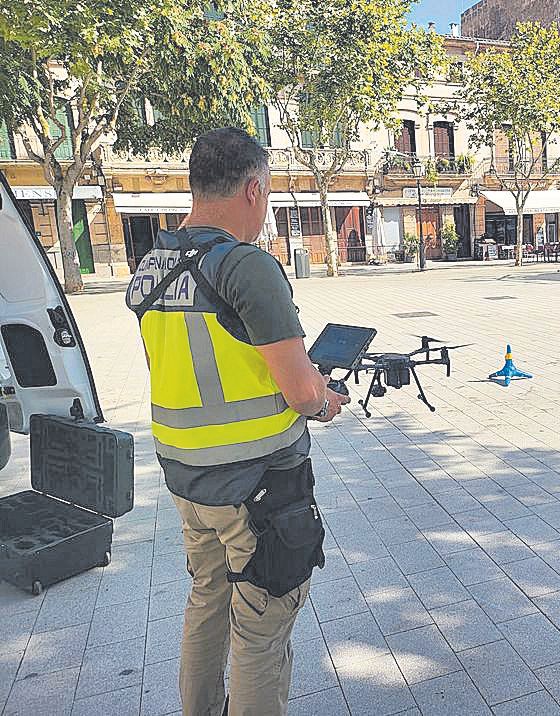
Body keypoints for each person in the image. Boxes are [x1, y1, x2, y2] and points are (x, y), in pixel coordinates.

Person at [126, 128, 349, 716]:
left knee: (206, 600)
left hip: (187, 483)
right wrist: (326, 400)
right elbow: (301, 391)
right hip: (256, 490)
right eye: (269, 193)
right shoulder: (246, 266)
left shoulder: (154, 266)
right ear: (253, 188)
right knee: (261, 627)